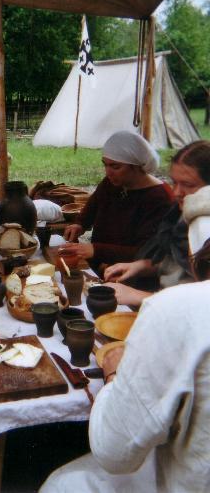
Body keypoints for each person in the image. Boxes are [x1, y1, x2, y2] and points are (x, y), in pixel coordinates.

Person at [40, 187, 210, 493]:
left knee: (61, 484)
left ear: (195, 251)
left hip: (187, 482)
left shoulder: (177, 307)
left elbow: (114, 451)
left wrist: (115, 375)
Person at [104, 140, 210, 305]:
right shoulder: (182, 215)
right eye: (174, 182)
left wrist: (142, 297)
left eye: (188, 185)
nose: (176, 193)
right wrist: (142, 266)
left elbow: (202, 302)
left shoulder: (205, 229)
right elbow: (179, 265)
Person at [60, 131, 173, 274]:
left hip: (130, 275)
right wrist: (79, 224)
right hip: (100, 264)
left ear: (137, 166)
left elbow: (145, 252)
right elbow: (92, 208)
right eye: (105, 165)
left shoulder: (159, 198)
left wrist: (95, 249)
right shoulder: (112, 183)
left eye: (115, 167)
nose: (108, 172)